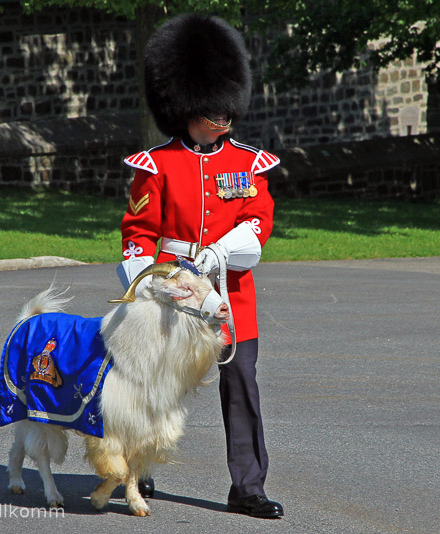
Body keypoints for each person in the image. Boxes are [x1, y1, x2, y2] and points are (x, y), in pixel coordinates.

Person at [116, 13, 284, 519]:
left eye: (226, 109)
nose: (223, 118)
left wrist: (223, 250)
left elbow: (258, 222)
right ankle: (139, 468)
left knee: (241, 384)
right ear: (186, 108)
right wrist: (143, 285)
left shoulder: (248, 163)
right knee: (150, 381)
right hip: (172, 291)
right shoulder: (156, 165)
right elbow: (138, 233)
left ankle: (248, 487)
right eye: (212, 110)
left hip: (230, 294)